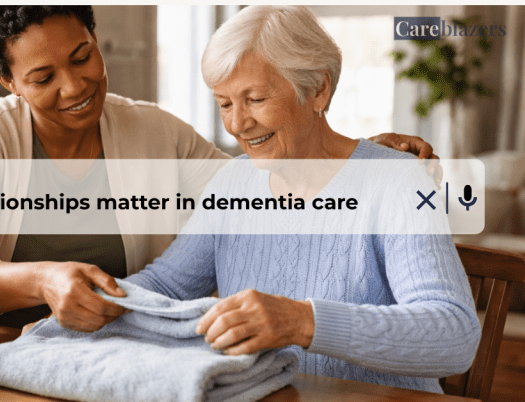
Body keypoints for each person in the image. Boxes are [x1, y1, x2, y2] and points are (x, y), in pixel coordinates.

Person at [0, 5, 440, 330]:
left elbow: (259, 183)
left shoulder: (152, 130)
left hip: (117, 342)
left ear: (95, 38)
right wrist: (42, 280)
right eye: (42, 77)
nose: (74, 85)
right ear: (7, 80)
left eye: (82, 56)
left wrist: (353, 154)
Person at [123, 5, 480, 393]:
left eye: (255, 99)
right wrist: (74, 297)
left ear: (317, 89)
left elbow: (455, 334)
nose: (237, 124)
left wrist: (302, 321)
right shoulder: (232, 185)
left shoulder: (397, 181)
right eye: (224, 103)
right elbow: (166, 286)